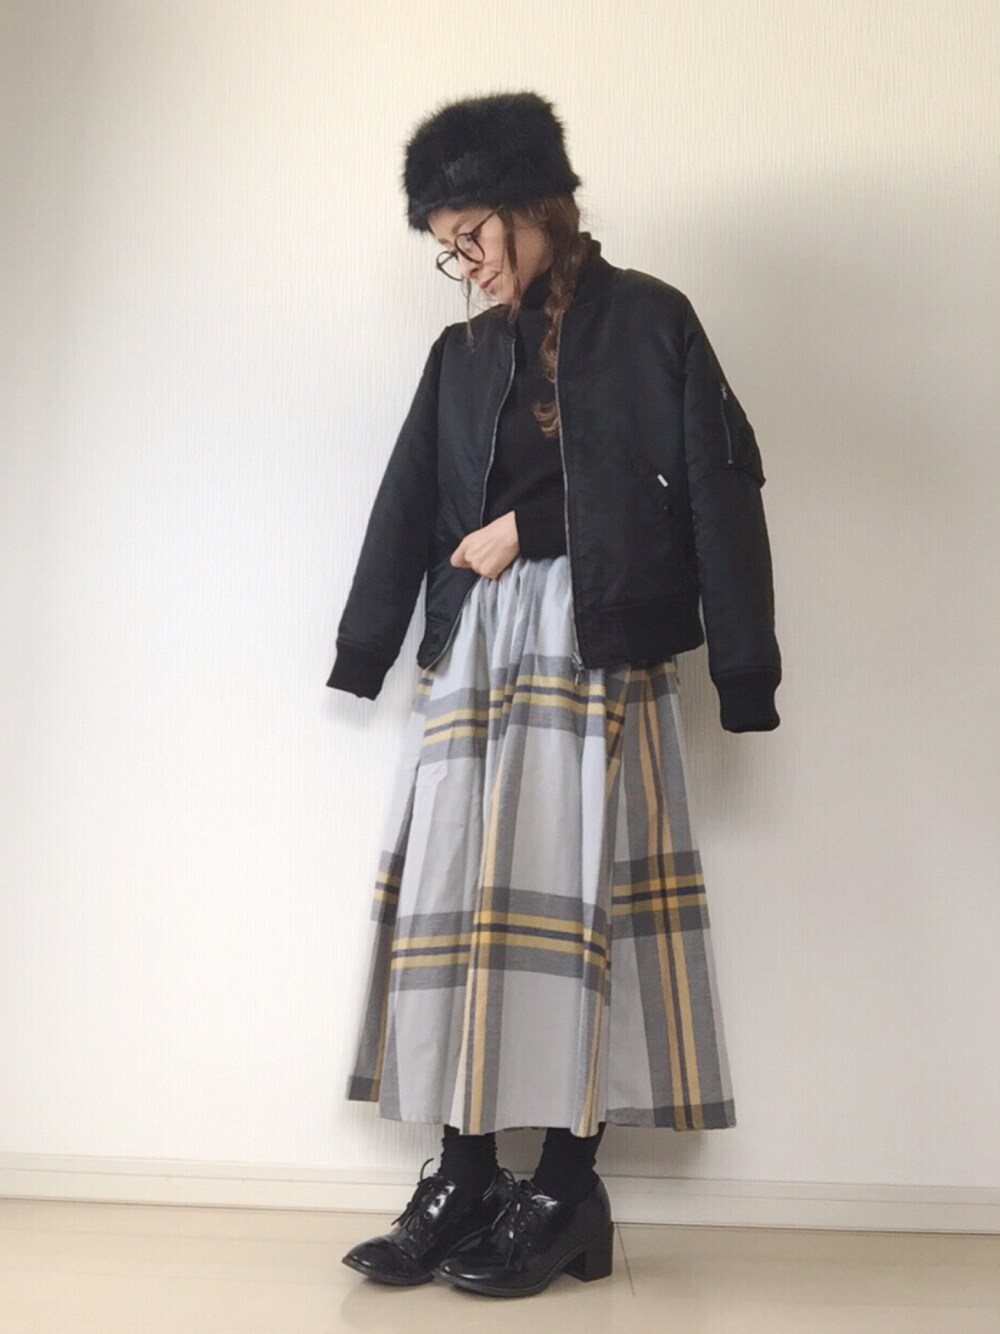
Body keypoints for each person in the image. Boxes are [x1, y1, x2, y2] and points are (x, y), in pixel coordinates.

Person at [327, 90, 782, 1299]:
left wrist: (742, 665)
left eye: (472, 234)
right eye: (447, 247)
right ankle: (466, 1170)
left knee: (582, 914)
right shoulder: (461, 353)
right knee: (458, 910)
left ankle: (569, 1187)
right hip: (478, 653)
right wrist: (366, 644)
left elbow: (711, 490)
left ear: (536, 207)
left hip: (599, 647)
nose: (464, 262)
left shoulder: (650, 319)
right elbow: (404, 500)